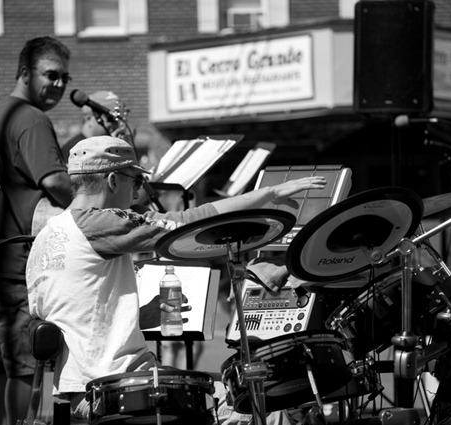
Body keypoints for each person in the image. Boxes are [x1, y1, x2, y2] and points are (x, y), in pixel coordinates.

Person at [25, 135, 327, 422]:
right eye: (136, 181)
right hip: (121, 387)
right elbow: (184, 222)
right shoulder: (98, 223)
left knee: (229, 390)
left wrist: (141, 316)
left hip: (85, 387)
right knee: (262, 405)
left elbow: (72, 318)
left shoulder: (50, 233)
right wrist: (266, 195)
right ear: (113, 180)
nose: (137, 192)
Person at [0, 36, 74, 425]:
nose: (59, 84)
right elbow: (56, 182)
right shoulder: (31, 118)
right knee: (24, 365)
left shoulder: (2, 113)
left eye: (65, 77)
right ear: (26, 73)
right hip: (14, 260)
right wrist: (96, 206)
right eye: (51, 75)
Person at [61, 90, 131, 158]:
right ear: (88, 118)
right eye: (111, 119)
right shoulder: (74, 152)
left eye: (120, 118)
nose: (120, 125)